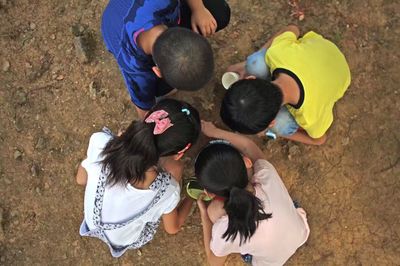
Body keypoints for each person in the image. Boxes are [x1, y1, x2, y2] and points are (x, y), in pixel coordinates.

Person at [76, 99, 200, 257]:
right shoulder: (168, 191)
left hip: (92, 222)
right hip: (123, 240)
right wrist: (189, 196)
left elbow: (81, 179)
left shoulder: (101, 142)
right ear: (179, 155)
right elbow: (172, 228)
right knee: (173, 180)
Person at [195, 121, 310, 266]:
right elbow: (248, 146)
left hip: (270, 262)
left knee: (213, 212)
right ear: (247, 162)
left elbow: (213, 262)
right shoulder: (265, 173)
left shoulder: (226, 231)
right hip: (300, 232)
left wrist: (205, 215)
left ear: (209, 194)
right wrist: (215, 132)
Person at [221, 25, 351, 145]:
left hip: (342, 75)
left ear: (271, 122)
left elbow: (319, 140)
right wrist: (244, 64)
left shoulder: (310, 116)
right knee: (255, 63)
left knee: (282, 125)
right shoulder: (277, 53)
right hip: (325, 50)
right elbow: (293, 28)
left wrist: (270, 131)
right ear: (250, 78)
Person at [101, 0, 230, 118]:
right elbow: (143, 106)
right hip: (114, 23)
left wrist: (199, 9)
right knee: (160, 89)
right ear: (157, 71)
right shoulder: (133, 65)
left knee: (220, 13)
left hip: (149, 9)